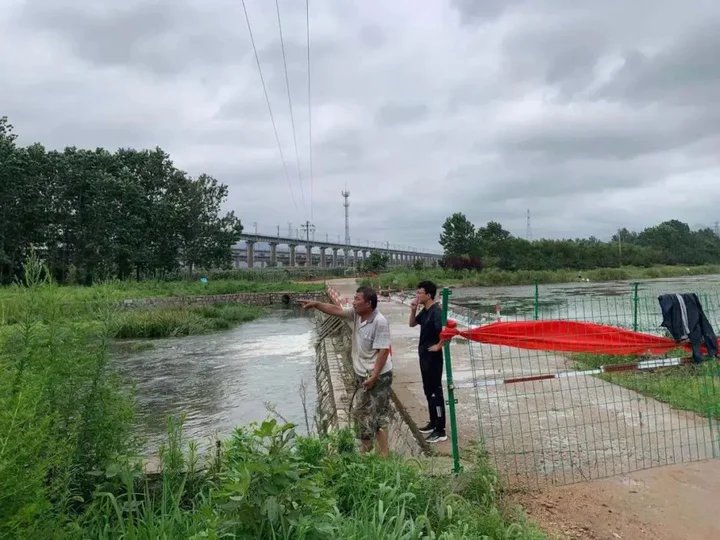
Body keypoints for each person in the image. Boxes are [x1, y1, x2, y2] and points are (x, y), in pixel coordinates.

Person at [301, 286, 393, 457]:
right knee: (361, 412)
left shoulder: (380, 322)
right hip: (363, 375)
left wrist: (374, 376)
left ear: (369, 303)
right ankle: (366, 449)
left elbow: (383, 351)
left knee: (378, 415)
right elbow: (336, 310)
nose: (353, 302)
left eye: (357, 299)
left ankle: (384, 456)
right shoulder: (357, 314)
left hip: (379, 376)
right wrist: (316, 304)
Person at [409, 280, 447, 443]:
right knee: (428, 391)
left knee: (436, 393)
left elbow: (445, 331)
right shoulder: (425, 311)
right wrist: (413, 310)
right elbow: (412, 324)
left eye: (420, 293)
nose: (417, 295)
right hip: (424, 357)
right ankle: (433, 422)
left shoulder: (436, 312)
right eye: (417, 293)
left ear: (429, 295)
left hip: (433, 359)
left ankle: (440, 429)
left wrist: (439, 345)